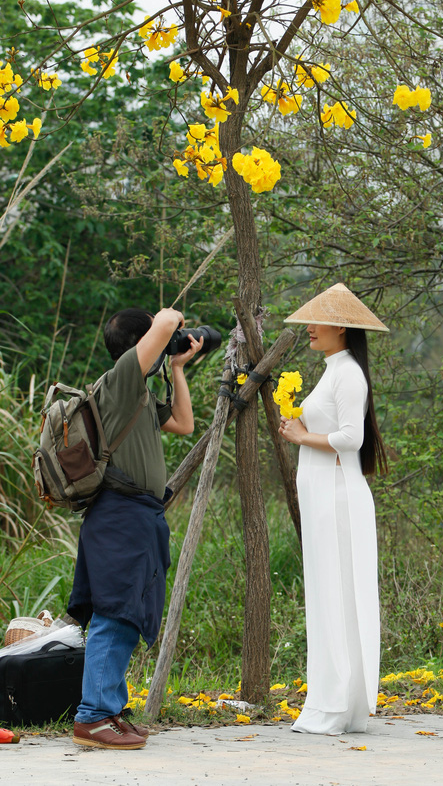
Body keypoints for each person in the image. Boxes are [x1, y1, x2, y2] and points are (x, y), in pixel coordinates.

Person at [67, 307, 201, 750]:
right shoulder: (121, 379)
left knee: (125, 613)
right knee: (113, 613)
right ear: (143, 344)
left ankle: (109, 710)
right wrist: (172, 321)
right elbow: (164, 320)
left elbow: (184, 424)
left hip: (137, 515)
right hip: (119, 513)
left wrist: (178, 367)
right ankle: (91, 717)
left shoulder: (139, 394)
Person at [279, 282, 389, 735]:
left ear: (340, 328)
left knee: (339, 594)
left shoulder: (348, 374)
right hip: (322, 498)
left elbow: (351, 439)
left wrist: (302, 437)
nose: (309, 328)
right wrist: (298, 419)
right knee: (326, 595)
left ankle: (338, 705)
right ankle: (334, 702)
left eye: (316, 321)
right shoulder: (333, 369)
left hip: (339, 500)